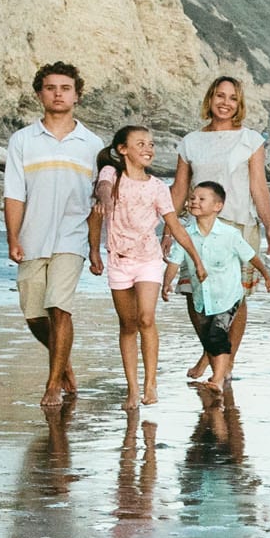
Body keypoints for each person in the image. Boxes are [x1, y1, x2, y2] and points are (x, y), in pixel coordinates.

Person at [4, 61, 105, 407]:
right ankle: (64, 364)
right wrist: (12, 237)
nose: (58, 94)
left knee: (59, 306)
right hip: (32, 236)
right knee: (34, 314)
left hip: (71, 237)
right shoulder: (22, 140)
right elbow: (14, 194)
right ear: (39, 94)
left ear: (77, 95)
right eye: (50, 88)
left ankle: (53, 384)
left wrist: (94, 249)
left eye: (65, 88)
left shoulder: (93, 144)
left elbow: (97, 203)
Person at [170, 75, 270, 381]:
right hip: (198, 228)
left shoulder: (250, 140)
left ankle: (224, 361)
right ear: (210, 99)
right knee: (196, 294)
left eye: (232, 98)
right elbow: (180, 188)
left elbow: (259, 186)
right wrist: (169, 228)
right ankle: (210, 349)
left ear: (239, 103)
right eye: (220, 96)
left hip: (237, 225)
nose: (225, 103)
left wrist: (269, 226)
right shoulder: (191, 141)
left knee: (234, 298)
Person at [90, 126, 203, 415]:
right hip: (118, 260)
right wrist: (94, 250)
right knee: (127, 325)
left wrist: (196, 260)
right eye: (140, 144)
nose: (148, 148)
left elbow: (174, 225)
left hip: (148, 259)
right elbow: (101, 194)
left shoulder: (157, 188)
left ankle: (151, 383)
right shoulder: (110, 176)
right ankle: (132, 387)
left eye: (151, 144)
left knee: (146, 317)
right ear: (122, 150)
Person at [164, 181, 270, 396]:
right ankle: (218, 373)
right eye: (192, 198)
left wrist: (267, 277)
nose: (194, 201)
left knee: (217, 334)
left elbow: (252, 257)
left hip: (229, 295)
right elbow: (175, 262)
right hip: (202, 297)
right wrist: (167, 283)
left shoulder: (230, 234)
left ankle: (217, 379)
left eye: (201, 199)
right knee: (209, 336)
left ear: (218, 206)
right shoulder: (185, 233)